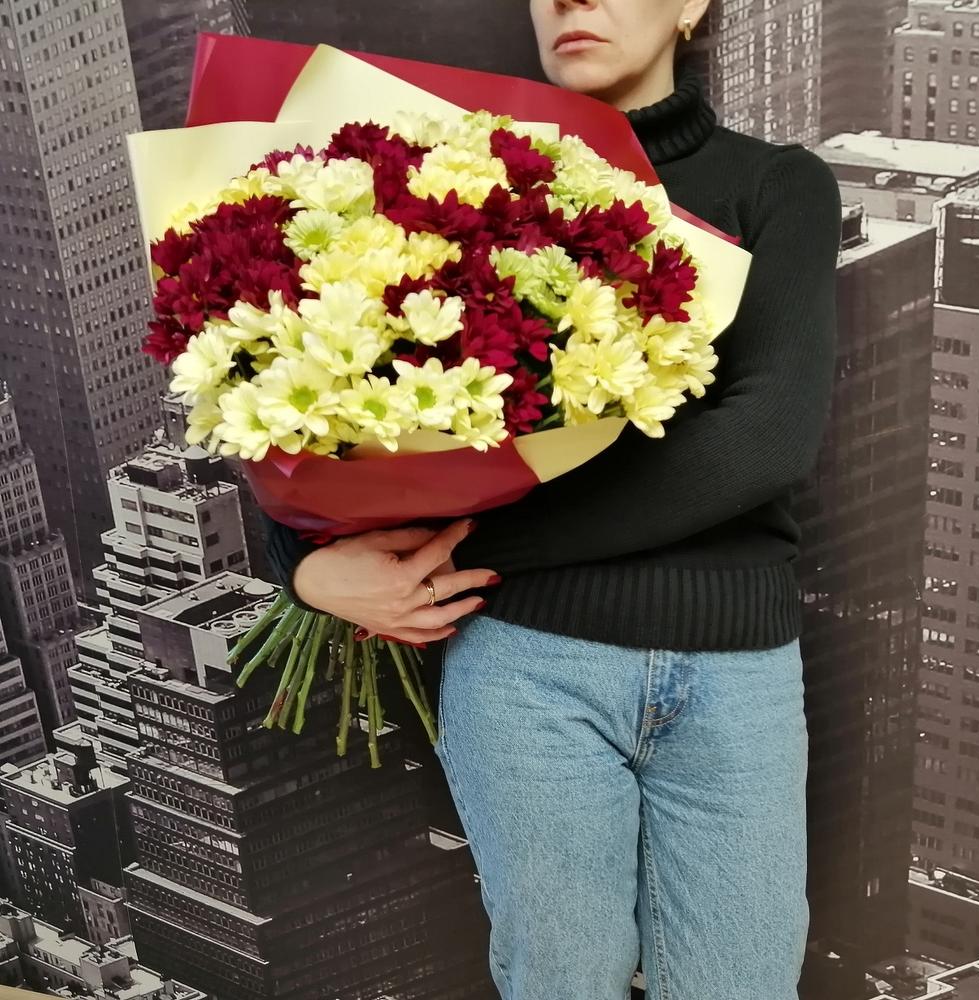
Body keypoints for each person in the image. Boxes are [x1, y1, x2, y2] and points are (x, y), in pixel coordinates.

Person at [263, 1, 843, 997]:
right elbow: (317, 403)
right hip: (525, 667)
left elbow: (764, 442)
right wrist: (306, 568)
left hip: (733, 671)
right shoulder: (456, 181)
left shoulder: (776, 185)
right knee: (558, 981)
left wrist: (456, 555)